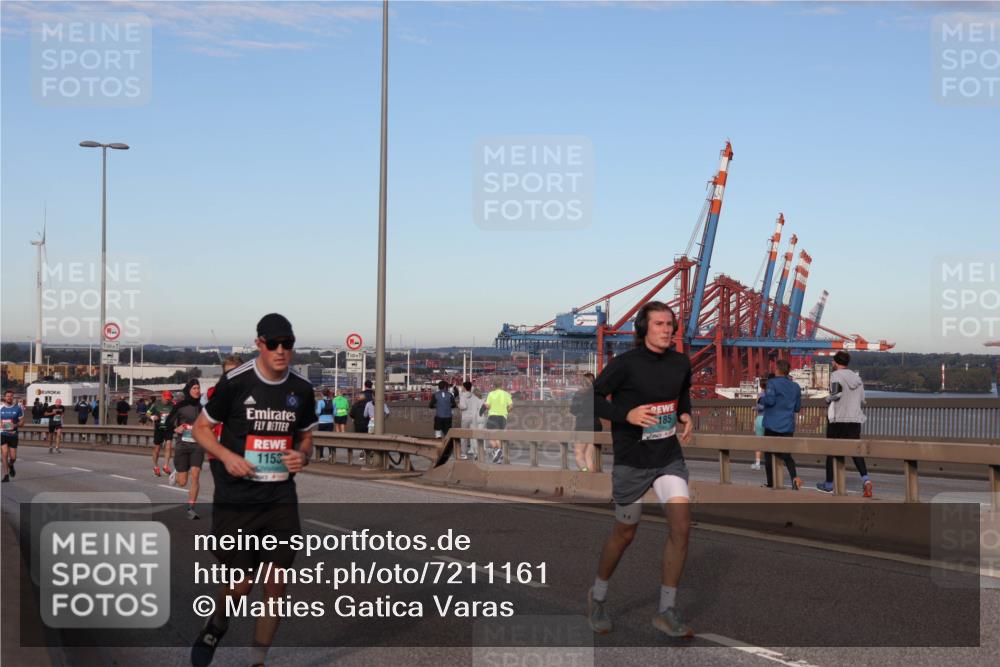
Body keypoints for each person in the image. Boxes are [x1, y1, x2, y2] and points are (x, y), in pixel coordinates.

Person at [189, 313, 316, 667]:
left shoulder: (302, 390)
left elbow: (306, 438)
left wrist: (301, 456)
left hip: (279, 498)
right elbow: (200, 429)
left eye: (287, 344)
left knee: (276, 583)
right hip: (237, 499)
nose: (280, 351)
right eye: (273, 344)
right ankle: (217, 623)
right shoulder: (236, 383)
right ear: (259, 344)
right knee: (242, 584)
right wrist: (227, 456)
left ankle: (257, 660)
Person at [587, 301, 696, 638]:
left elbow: (682, 395)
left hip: (667, 457)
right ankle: (598, 596)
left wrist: (685, 414)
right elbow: (591, 398)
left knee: (681, 526)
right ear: (643, 328)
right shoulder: (626, 365)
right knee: (625, 534)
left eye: (670, 324)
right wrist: (626, 415)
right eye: (660, 324)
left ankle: (666, 611)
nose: (666, 329)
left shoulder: (680, 363)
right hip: (633, 461)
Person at [816, 351, 873, 497]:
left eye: (833, 362)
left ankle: (829, 484)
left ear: (835, 362)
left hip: (839, 419)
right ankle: (866, 480)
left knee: (832, 450)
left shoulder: (836, 375)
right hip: (855, 419)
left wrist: (828, 399)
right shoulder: (857, 378)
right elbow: (862, 399)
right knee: (855, 451)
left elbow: (835, 394)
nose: (832, 364)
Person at [166, 379, 205, 519]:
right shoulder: (181, 406)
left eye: (198, 388)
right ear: (188, 390)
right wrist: (177, 428)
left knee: (195, 474)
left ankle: (191, 508)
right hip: (182, 445)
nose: (197, 391)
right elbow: (168, 421)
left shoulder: (204, 406)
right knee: (182, 482)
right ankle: (176, 473)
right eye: (194, 388)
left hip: (197, 445)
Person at [761, 359, 802, 490]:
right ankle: (794, 479)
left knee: (768, 454)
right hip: (787, 425)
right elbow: (797, 408)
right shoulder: (795, 386)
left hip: (772, 424)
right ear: (787, 371)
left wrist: (761, 399)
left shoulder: (772, 383)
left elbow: (770, 401)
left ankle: (771, 482)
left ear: (777, 369)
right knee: (787, 455)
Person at [570, 372, 602, 472]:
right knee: (588, 456)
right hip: (595, 426)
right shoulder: (597, 394)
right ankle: (591, 478)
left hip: (583, 426)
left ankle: (585, 472)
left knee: (578, 454)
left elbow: (573, 410)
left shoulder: (579, 394)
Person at [484, 380, 513, 464]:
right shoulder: (506, 394)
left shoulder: (491, 394)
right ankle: (498, 455)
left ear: (494, 385)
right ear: (501, 385)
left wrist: (486, 406)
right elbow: (511, 406)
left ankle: (497, 450)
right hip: (503, 417)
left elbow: (488, 405)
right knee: (499, 435)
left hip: (492, 416)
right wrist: (506, 411)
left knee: (491, 436)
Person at [149, 390, 175, 477]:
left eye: (169, 399)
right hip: (159, 429)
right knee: (157, 449)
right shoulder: (156, 405)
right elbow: (148, 413)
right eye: (166, 398)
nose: (167, 400)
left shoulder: (173, 405)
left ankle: (166, 466)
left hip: (169, 429)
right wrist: (153, 417)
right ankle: (155, 467)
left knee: (168, 446)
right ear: (162, 397)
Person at [1, 390, 25, 483]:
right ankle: (6, 475)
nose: (9, 397)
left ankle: (11, 464)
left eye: (11, 396)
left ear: (13, 397)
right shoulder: (0, 408)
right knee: (4, 453)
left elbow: (22, 422)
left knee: (13, 457)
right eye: (7, 396)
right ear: (4, 397)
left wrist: (14, 425)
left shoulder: (18, 409)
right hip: (2, 434)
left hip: (13, 434)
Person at [752, 377, 768, 470]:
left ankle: (757, 463)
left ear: (760, 385)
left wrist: (754, 408)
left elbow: (759, 407)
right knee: (769, 441)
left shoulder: (760, 395)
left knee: (759, 441)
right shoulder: (771, 395)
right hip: (770, 419)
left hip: (760, 419)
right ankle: (770, 462)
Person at [458, 381, 477, 459]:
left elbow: (464, 406)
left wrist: (458, 405)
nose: (462, 388)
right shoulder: (473, 396)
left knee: (464, 436)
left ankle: (464, 453)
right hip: (473, 417)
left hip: (465, 418)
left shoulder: (462, 396)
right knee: (474, 436)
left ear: (465, 387)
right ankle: (476, 453)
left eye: (462, 386)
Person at [315, 389, 336, 460]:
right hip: (330, 422)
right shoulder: (333, 402)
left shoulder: (320, 402)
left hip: (322, 422)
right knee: (329, 439)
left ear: (322, 394)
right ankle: (330, 454)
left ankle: (321, 456)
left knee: (321, 439)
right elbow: (335, 413)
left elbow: (318, 412)